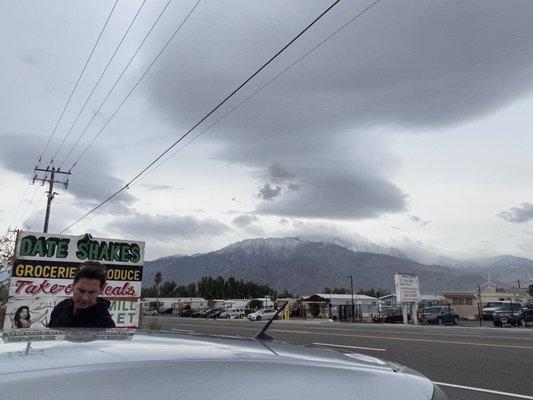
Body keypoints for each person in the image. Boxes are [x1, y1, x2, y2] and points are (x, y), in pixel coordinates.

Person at [48, 261, 116, 328]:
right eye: (81, 290)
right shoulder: (62, 307)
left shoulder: (105, 324)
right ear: (73, 285)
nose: (85, 298)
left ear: (101, 289)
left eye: (92, 292)